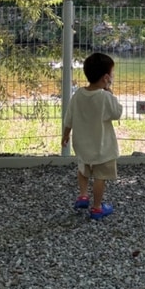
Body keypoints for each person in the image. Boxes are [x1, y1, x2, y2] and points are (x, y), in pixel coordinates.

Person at [61, 52, 123, 220]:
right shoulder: (104, 97)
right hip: (101, 147)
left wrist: (65, 135)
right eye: (112, 74)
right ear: (105, 78)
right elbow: (117, 113)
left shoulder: (78, 95)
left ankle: (82, 195)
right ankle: (96, 208)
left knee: (83, 170)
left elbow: (69, 118)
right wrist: (110, 92)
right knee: (100, 176)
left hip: (82, 144)